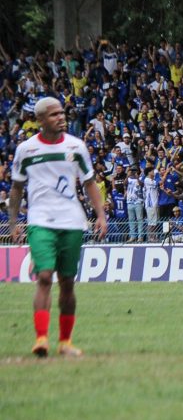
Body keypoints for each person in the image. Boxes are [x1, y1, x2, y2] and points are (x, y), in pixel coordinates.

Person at [8, 97, 107, 358]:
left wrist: (101, 215)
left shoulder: (77, 146)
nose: (61, 118)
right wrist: (14, 221)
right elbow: (16, 188)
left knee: (67, 282)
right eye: (54, 115)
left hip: (72, 222)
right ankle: (41, 339)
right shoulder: (25, 150)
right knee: (43, 277)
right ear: (40, 120)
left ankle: (65, 342)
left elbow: (89, 183)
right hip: (40, 221)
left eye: (62, 113)